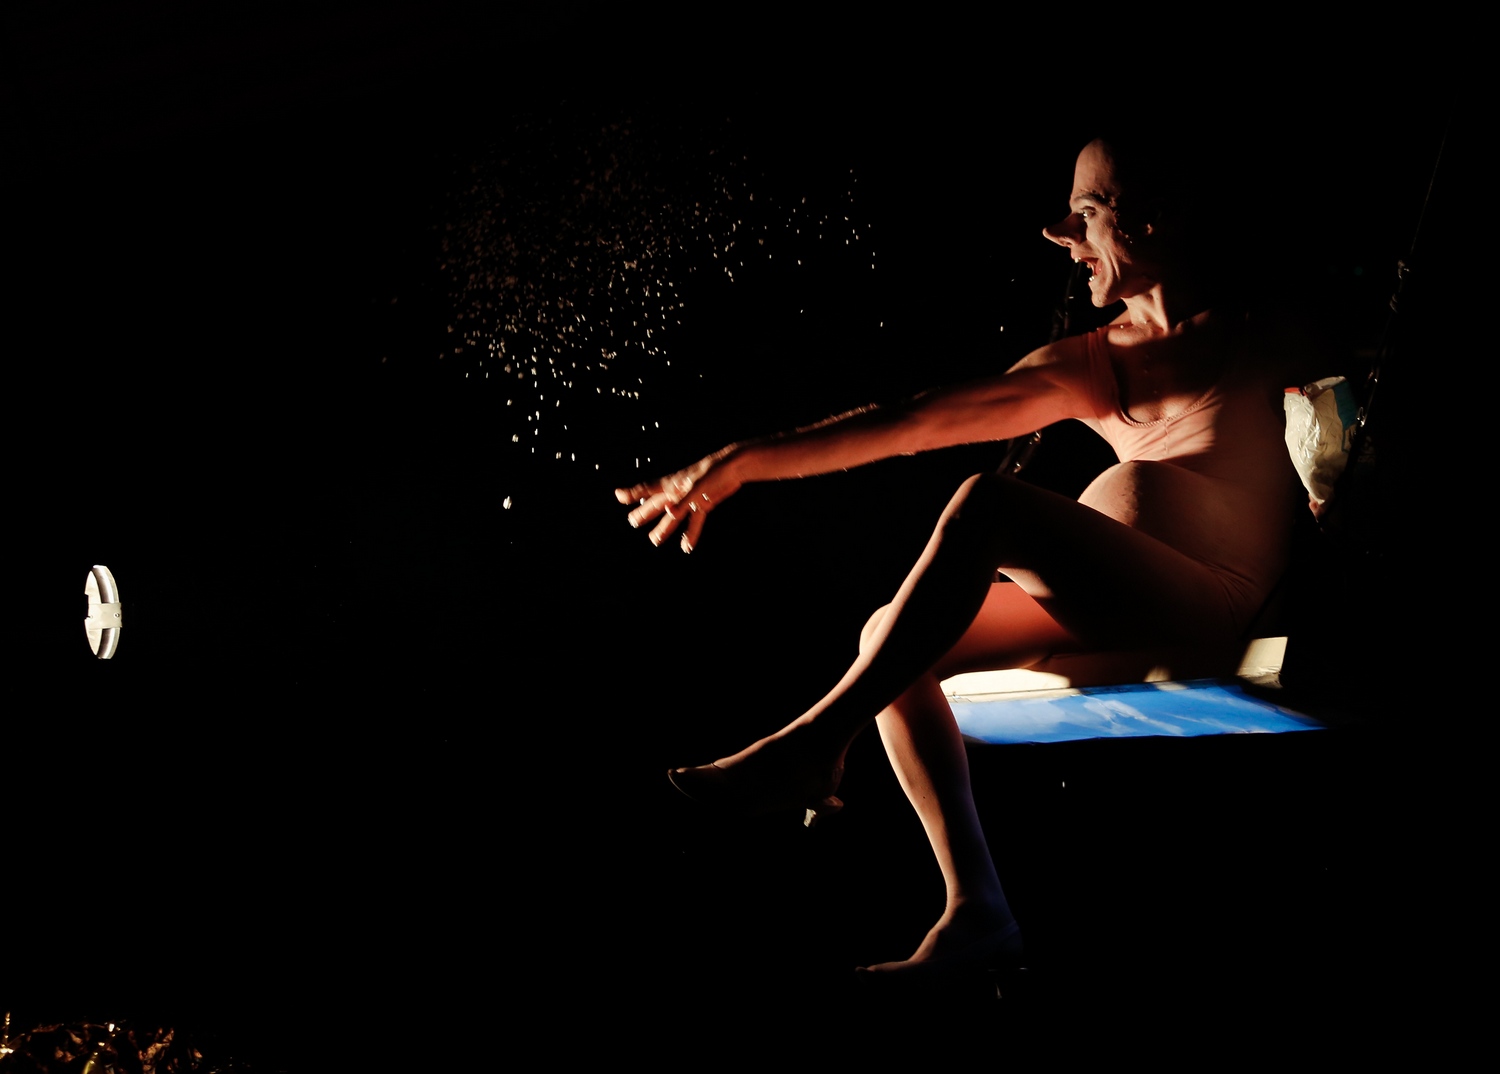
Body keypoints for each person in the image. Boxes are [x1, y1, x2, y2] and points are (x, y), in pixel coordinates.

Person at [615, 137, 1308, 978]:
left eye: (1085, 214)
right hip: (1118, 608)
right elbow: (913, 420)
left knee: (990, 504)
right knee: (891, 634)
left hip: (1220, 601)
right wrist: (744, 462)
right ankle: (976, 909)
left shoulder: (1261, 328)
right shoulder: (1095, 362)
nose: (1062, 238)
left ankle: (812, 744)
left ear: (1154, 220)